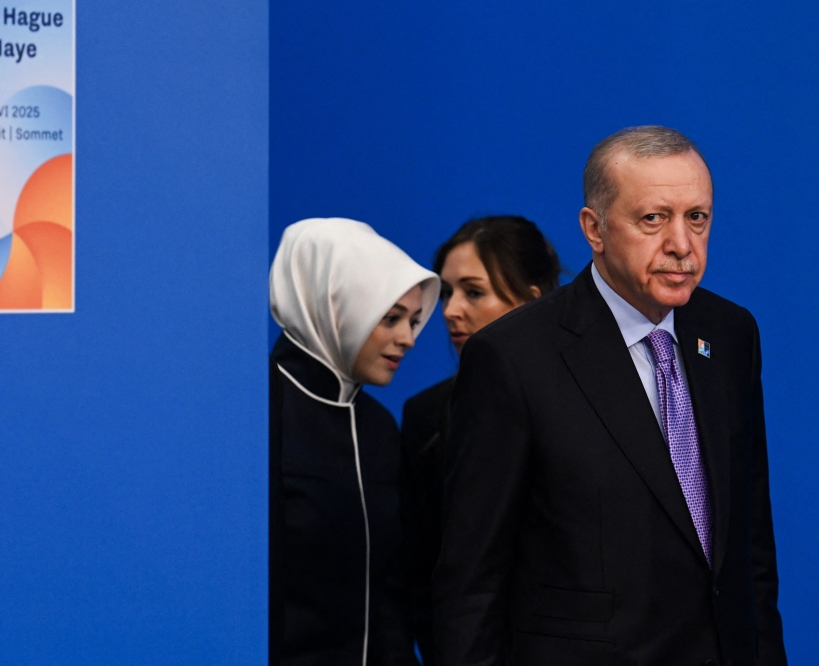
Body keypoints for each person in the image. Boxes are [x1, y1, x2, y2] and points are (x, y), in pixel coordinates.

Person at [434, 126, 787, 665]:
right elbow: (471, 584)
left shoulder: (731, 333)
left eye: (697, 217)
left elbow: (750, 550)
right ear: (594, 229)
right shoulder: (513, 357)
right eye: (653, 218)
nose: (681, 244)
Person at [270, 217, 440, 665]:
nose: (407, 339)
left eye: (414, 320)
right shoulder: (255, 414)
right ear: (333, 306)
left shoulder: (380, 427)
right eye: (390, 319)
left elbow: (391, 591)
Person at [398, 216, 562, 665]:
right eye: (447, 292)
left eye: (473, 292)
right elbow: (421, 570)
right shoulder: (425, 415)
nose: (449, 310)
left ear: (532, 301)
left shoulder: (596, 403)